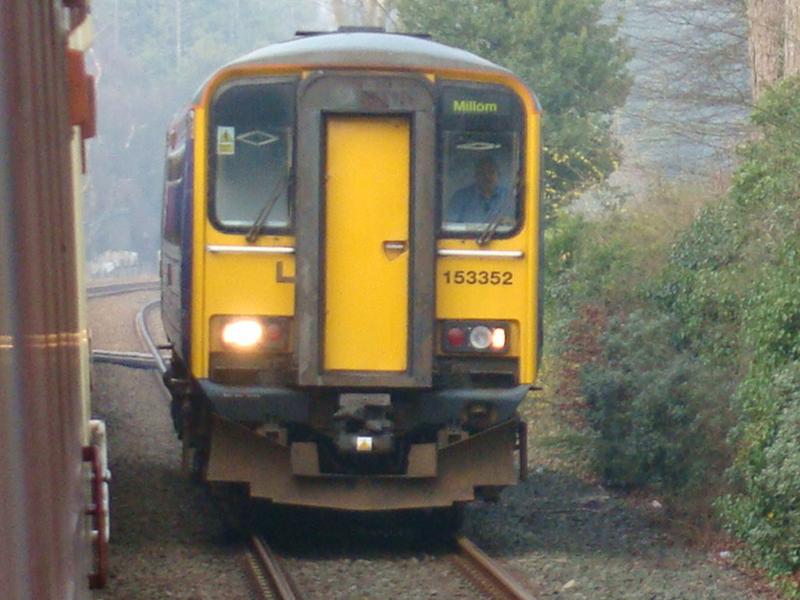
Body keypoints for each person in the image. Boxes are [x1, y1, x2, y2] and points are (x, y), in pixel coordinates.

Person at [447, 156, 512, 224]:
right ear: (476, 176)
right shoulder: (460, 197)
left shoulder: (508, 197)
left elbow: (515, 222)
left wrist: (510, 222)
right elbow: (450, 223)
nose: (487, 176)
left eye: (491, 172)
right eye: (482, 173)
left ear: (498, 175)